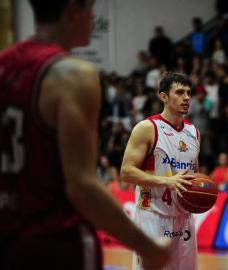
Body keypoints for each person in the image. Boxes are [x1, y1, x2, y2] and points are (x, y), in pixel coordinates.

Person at [0, 1, 171, 269]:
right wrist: (148, 247)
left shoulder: (4, 64)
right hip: (56, 244)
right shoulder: (73, 75)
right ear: (72, 9)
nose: (92, 17)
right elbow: (81, 186)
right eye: (90, 8)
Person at [120, 72, 200, 270]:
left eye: (189, 93)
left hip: (184, 218)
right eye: (180, 92)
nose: (187, 97)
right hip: (152, 215)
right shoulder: (147, 128)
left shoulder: (194, 132)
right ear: (163, 96)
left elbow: (194, 173)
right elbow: (126, 172)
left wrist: (200, 191)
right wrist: (167, 181)